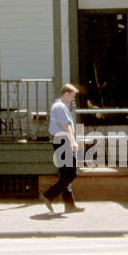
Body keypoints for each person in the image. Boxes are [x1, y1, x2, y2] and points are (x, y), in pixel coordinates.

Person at [42, 83, 84, 213]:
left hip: (59, 140)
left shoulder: (58, 106)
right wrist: (73, 141)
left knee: (65, 174)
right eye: (72, 96)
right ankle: (49, 195)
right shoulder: (60, 107)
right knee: (72, 172)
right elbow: (66, 126)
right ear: (66, 94)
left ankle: (69, 205)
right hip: (63, 140)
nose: (73, 99)